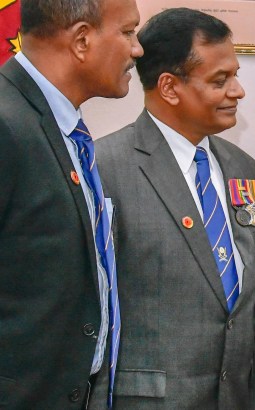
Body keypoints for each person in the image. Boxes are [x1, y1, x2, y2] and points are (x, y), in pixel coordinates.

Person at [87, 8, 255, 409]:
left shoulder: (244, 168)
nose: (238, 91)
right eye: (220, 80)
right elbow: (89, 313)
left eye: (235, 75)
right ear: (170, 88)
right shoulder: (104, 167)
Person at [0, 0, 142, 407]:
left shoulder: (64, 129)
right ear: (82, 40)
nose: (138, 49)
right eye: (128, 32)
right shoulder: (7, 124)